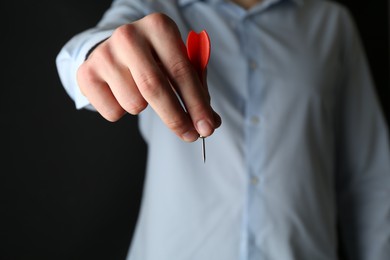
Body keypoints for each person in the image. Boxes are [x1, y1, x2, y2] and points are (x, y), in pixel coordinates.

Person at [56, 0, 390, 259]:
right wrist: (97, 55)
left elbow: (371, 177)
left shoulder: (332, 24)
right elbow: (85, 55)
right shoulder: (155, 5)